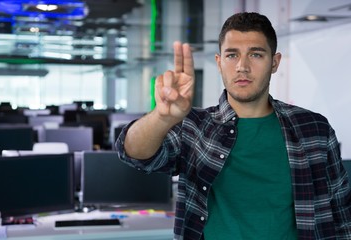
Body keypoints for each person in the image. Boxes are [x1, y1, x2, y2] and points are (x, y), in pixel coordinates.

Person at [115, 12, 351, 240]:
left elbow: (341, 215)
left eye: (256, 55)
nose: (242, 66)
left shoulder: (314, 129)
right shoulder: (195, 127)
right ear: (219, 62)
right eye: (232, 55)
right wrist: (162, 117)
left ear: (275, 63)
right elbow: (134, 154)